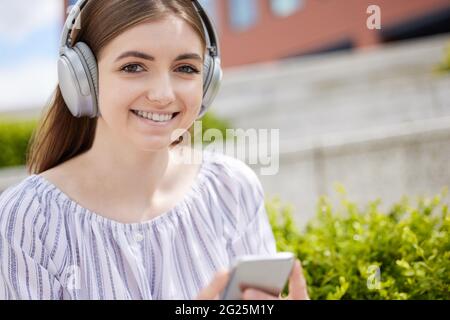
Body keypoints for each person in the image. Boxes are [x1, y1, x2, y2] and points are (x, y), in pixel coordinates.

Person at [0, 0, 309, 300]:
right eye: (134, 67)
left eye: (186, 68)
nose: (163, 94)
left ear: (208, 81)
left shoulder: (231, 189)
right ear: (82, 79)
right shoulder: (28, 219)